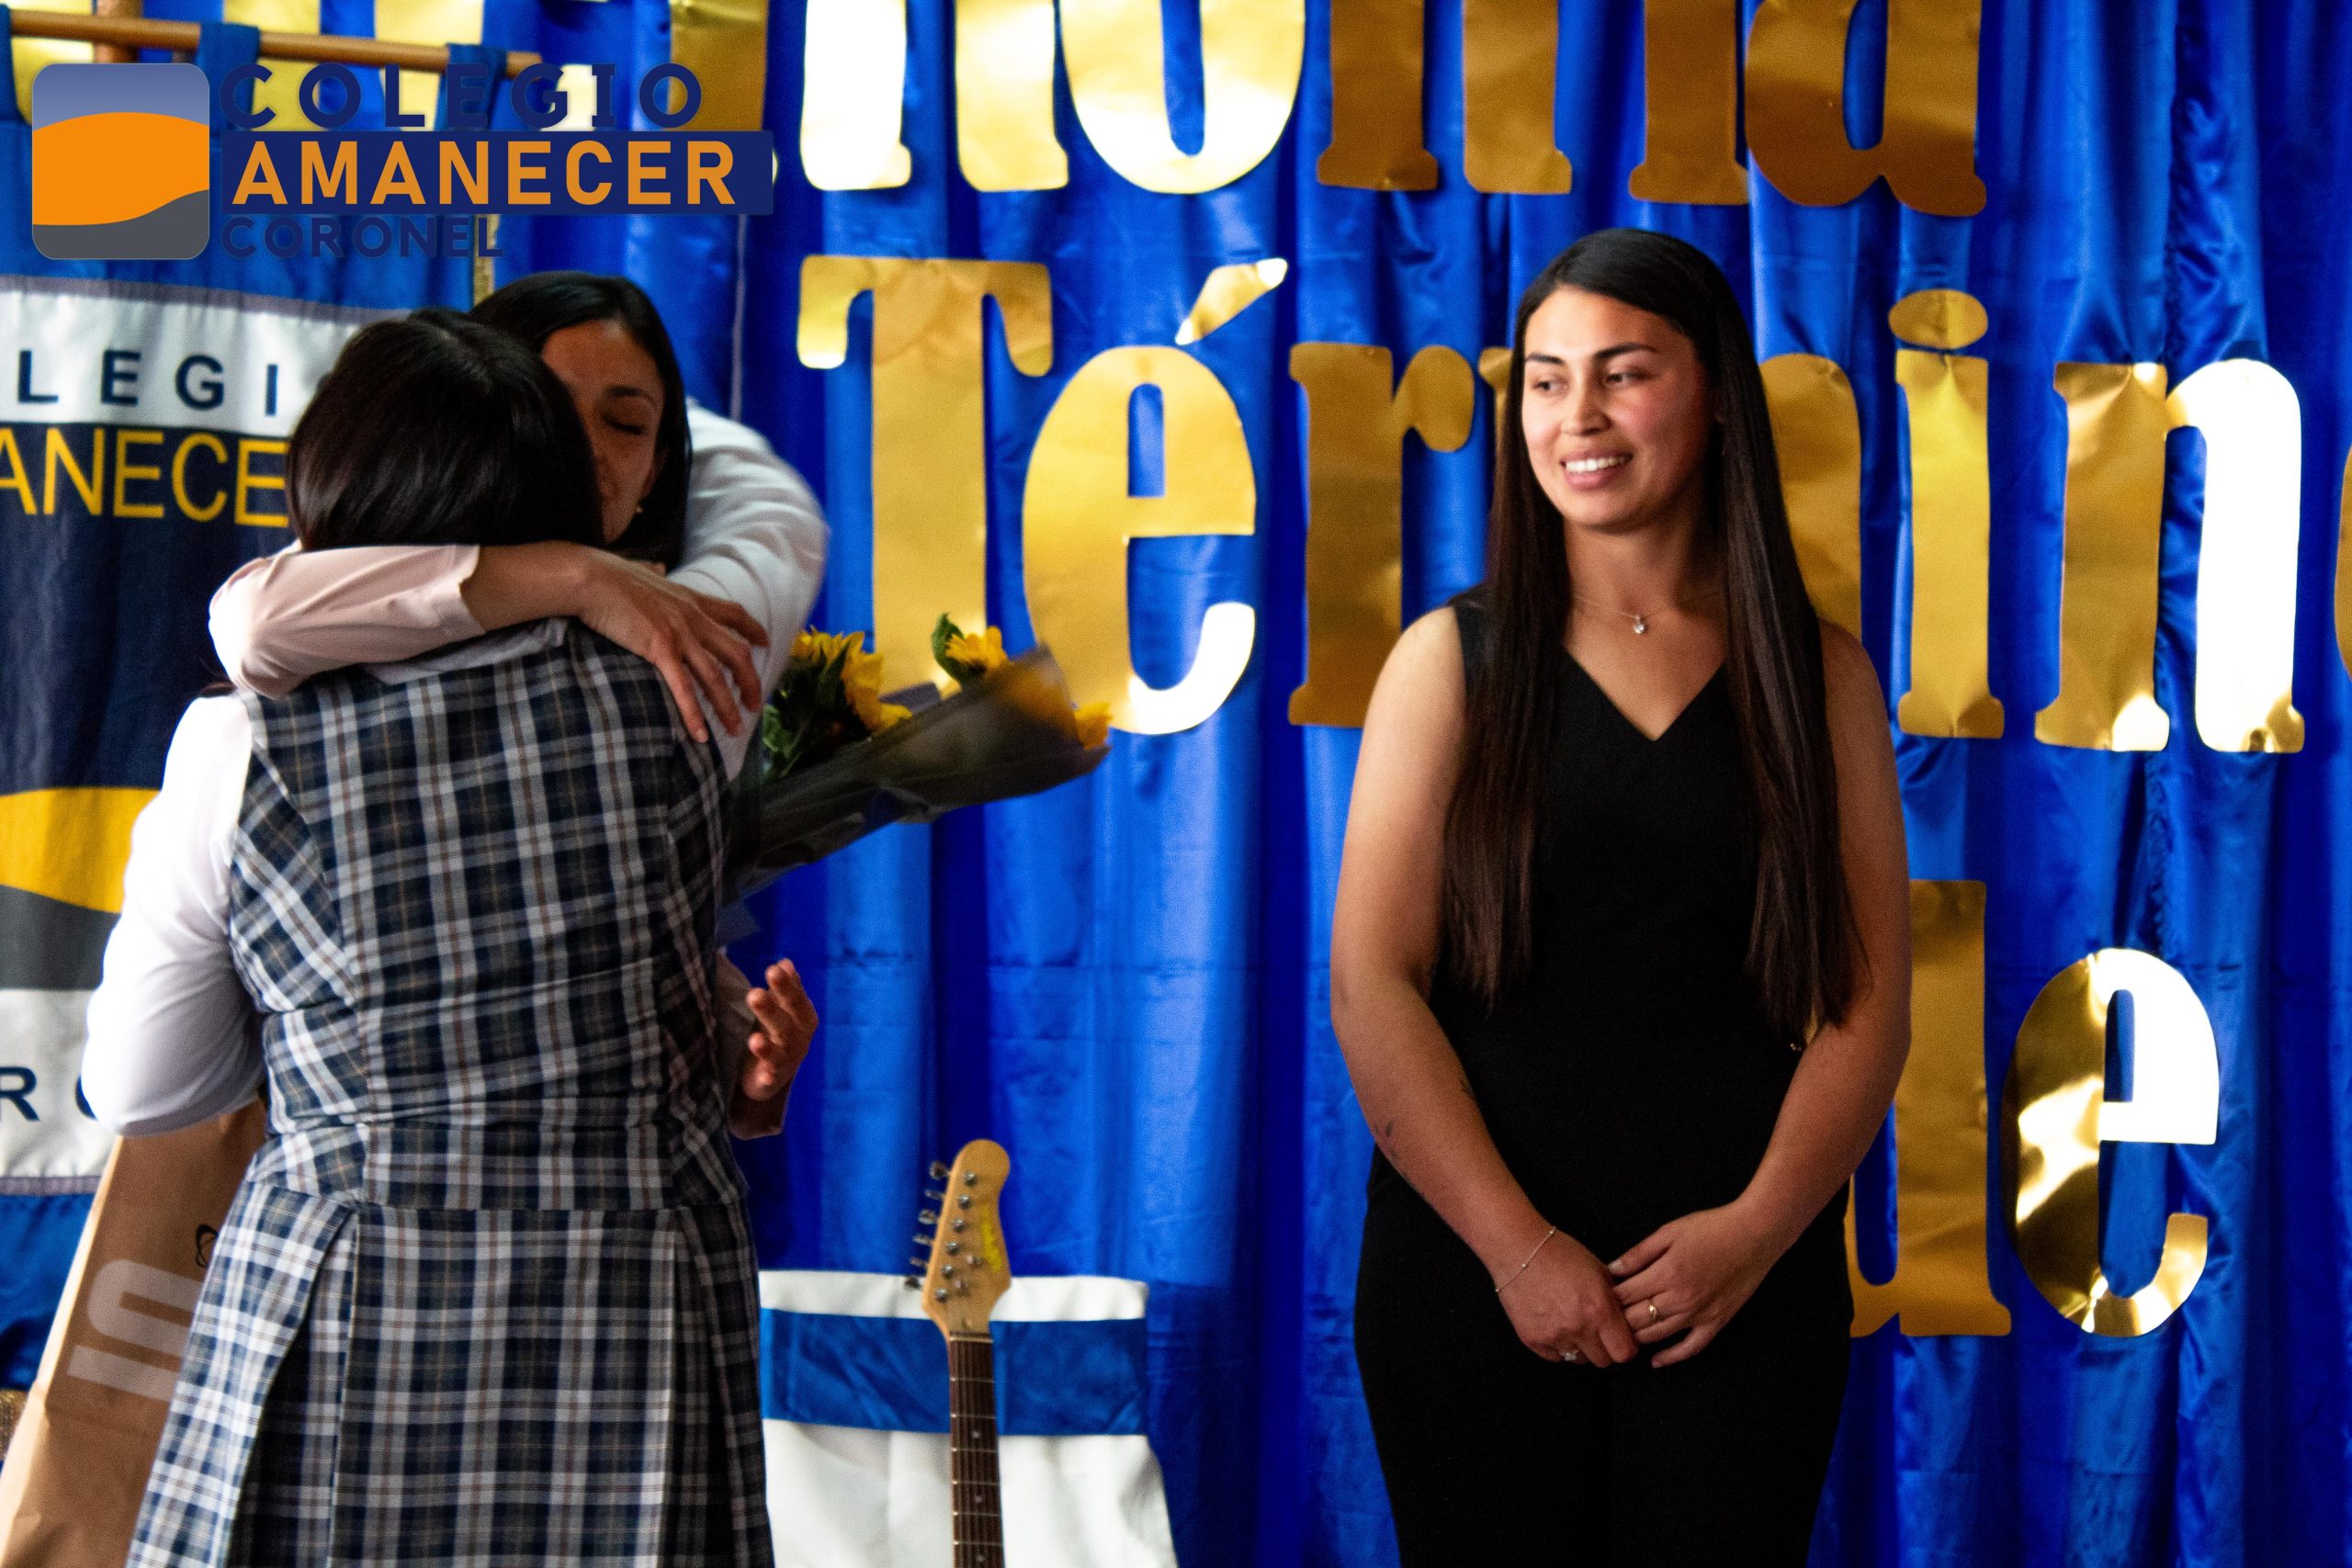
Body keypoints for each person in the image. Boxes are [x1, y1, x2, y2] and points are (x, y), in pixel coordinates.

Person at [82, 310, 787, 1564]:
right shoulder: (690, 702)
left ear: (340, 488)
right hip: (637, 1309)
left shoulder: (243, 740)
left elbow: (146, 1085)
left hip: (349, 1293)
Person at [1331, 228, 1910, 1564]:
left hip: (1738, 1295)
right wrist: (1520, 1251)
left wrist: (1755, 1236)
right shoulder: (1449, 662)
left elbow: (1868, 1003)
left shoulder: (1818, 677)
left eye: (1623, 372)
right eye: (1545, 380)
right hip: (1471, 1282)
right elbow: (1372, 985)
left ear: (1717, 399)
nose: (1575, 416)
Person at [208, 271, 826, 1134]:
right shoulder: (360, 596)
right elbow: (253, 623)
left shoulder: (667, 648)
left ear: (658, 470)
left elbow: (580, 922)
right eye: (546, 405)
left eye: (627, 424)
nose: (585, 452)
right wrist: (578, 574)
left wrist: (743, 1063)